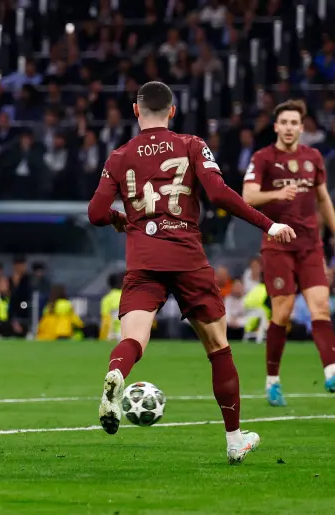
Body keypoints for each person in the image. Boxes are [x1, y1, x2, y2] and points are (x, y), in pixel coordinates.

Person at [87, 81, 295, 464]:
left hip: (143, 259)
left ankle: (117, 374)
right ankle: (234, 440)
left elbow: (95, 213)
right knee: (218, 348)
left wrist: (120, 218)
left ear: (135, 111)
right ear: (172, 111)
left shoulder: (118, 156)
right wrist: (268, 225)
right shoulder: (192, 144)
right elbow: (219, 194)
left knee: (134, 339)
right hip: (186, 256)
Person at [241, 99, 335, 405]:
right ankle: (273, 381)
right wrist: (277, 193)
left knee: (320, 307)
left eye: (295, 123)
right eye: (285, 123)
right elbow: (247, 196)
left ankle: (331, 372)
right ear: (276, 126)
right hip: (277, 245)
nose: (290, 128)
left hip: (310, 245)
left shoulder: (313, 157)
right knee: (283, 312)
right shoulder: (263, 158)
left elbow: (323, 198)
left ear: (301, 127)